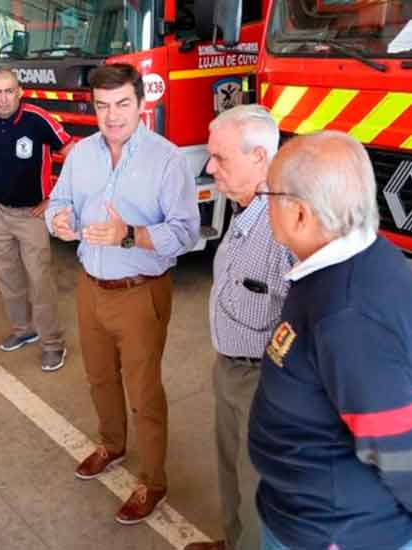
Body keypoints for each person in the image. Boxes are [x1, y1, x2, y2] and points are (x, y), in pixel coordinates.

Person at [45, 63, 199, 524]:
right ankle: (112, 445)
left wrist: (129, 235)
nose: (112, 117)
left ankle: (153, 480)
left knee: (143, 392)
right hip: (90, 286)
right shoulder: (81, 154)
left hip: (140, 292)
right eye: (102, 106)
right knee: (99, 378)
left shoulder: (167, 159)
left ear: (141, 104)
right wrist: (59, 220)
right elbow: (58, 200)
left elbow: (186, 233)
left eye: (122, 105)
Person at [249, 131, 412, 550]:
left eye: (268, 193)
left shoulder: (348, 317)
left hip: (335, 533)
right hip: (313, 515)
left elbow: (397, 448)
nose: (262, 202)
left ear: (301, 215)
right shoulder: (355, 262)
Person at [184, 105, 291, 550]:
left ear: (260, 158)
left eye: (220, 158)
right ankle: (234, 542)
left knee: (256, 483)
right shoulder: (244, 209)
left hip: (262, 379)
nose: (210, 168)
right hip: (229, 366)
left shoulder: (286, 229)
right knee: (229, 465)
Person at [0, 69, 72, 372]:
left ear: (19, 93)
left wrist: (54, 197)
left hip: (31, 215)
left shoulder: (37, 120)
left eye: (8, 91)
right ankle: (22, 330)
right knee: (7, 277)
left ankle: (53, 344)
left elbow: (72, 152)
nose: (2, 99)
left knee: (39, 280)